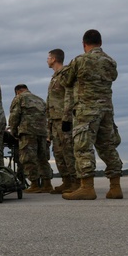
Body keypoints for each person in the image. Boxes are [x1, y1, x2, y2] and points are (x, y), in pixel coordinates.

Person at [59, 29, 123, 200]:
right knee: (108, 146)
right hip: (106, 110)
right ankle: (115, 187)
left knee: (83, 147)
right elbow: (113, 77)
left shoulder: (80, 60)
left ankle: (87, 187)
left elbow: (65, 81)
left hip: (86, 110)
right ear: (101, 43)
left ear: (83, 44)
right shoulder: (110, 61)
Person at [8, 84, 54, 193]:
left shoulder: (19, 98)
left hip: (27, 132)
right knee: (42, 158)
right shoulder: (41, 100)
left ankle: (34, 185)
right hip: (42, 133)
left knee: (28, 159)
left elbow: (14, 116)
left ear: (17, 92)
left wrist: (13, 131)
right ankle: (47, 184)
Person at [46, 49, 76, 194]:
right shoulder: (54, 78)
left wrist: (67, 118)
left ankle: (75, 182)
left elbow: (69, 96)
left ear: (54, 59)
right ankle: (66, 181)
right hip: (54, 121)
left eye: (48, 57)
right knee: (58, 152)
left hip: (64, 120)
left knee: (68, 151)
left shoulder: (64, 74)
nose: (47, 60)